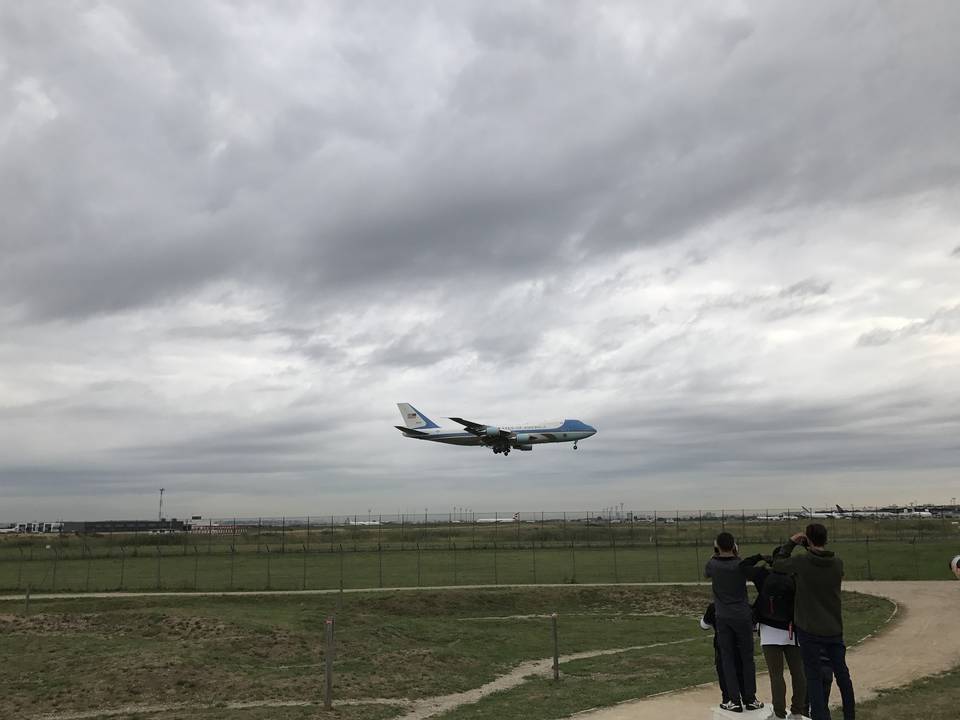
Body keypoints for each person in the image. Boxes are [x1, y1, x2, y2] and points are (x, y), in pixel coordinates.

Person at [774, 524, 854, 720]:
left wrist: (791, 543)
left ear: (807, 540)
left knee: (814, 677)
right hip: (834, 628)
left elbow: (778, 563)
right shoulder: (837, 563)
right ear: (825, 539)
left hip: (809, 629)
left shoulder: (802, 562)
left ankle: (820, 716)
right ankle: (850, 715)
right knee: (843, 676)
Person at [741, 548, 807, 719]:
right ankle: (797, 711)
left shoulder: (762, 575)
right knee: (798, 672)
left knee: (776, 675)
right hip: (792, 630)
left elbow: (743, 566)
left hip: (769, 630)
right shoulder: (796, 577)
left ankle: (779, 714)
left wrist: (760, 556)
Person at [705, 532, 764, 713]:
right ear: (734, 546)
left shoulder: (712, 564)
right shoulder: (740, 564)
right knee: (747, 658)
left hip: (723, 616)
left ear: (717, 547)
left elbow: (708, 571)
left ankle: (733, 699)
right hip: (743, 615)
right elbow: (746, 569)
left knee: (727, 658)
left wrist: (717, 553)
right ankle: (750, 698)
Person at [700, 601, 747, 708]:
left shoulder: (714, 606)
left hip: (722, 645)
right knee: (742, 671)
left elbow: (704, 625)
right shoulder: (743, 604)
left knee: (724, 672)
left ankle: (729, 699)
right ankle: (747, 698)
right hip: (742, 645)